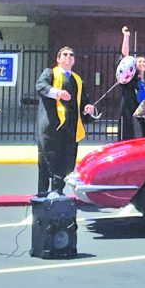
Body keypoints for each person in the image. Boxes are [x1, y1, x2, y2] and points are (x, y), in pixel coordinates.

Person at [35, 46, 96, 196]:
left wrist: (88, 108)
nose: (68, 57)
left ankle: (58, 191)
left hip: (70, 127)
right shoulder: (50, 73)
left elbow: (83, 102)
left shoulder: (77, 79)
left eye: (71, 55)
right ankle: (42, 194)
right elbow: (40, 86)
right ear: (58, 59)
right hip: (51, 126)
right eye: (65, 54)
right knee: (48, 159)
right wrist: (58, 93)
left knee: (67, 160)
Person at [118, 26, 145, 140]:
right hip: (133, 118)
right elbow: (125, 58)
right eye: (139, 61)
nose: (142, 63)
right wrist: (126, 37)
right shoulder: (130, 81)